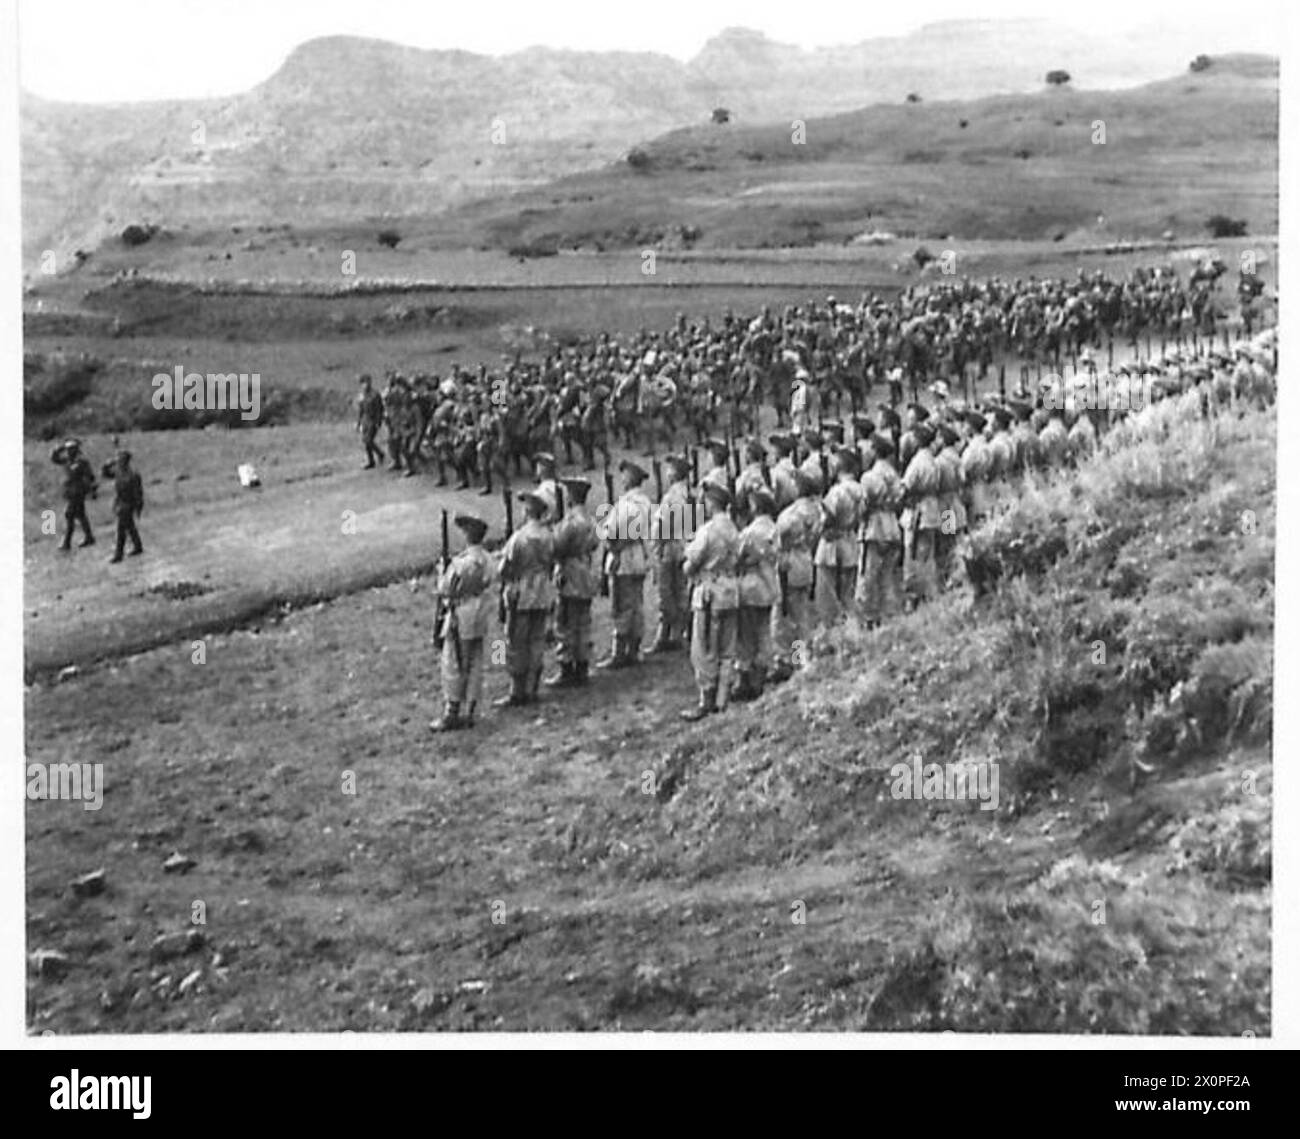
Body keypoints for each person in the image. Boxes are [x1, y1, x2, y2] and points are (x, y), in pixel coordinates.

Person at [431, 513, 498, 731]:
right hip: (480, 611)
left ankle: (452, 712)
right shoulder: (488, 559)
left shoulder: (461, 564)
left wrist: (442, 571)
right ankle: (470, 709)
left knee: (454, 662)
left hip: (462, 613)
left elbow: (445, 589)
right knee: (475, 660)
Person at [681, 482, 739, 721]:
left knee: (704, 649)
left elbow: (691, 562)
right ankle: (722, 700)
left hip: (709, 593)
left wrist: (690, 569)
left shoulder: (709, 530)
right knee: (727, 649)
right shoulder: (734, 529)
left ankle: (706, 700)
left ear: (712, 503)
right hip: (730, 591)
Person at [495, 491, 556, 707]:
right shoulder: (549, 535)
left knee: (513, 641)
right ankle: (533, 686)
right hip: (542, 591)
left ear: (527, 511)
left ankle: (516, 689)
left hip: (521, 593)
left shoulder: (519, 538)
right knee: (536, 640)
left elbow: (504, 569)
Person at [596, 460, 653, 668]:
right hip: (639, 556)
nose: (622, 480)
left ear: (630, 478)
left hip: (624, 559)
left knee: (621, 606)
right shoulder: (645, 502)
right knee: (636, 605)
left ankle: (619, 652)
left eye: (624, 476)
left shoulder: (626, 504)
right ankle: (634, 649)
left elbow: (609, 532)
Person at [546, 477, 600, 688]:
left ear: (571, 496)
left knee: (566, 623)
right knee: (583, 622)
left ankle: (567, 667)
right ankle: (582, 665)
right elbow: (595, 544)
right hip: (585, 570)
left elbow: (556, 547)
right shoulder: (591, 520)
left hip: (570, 572)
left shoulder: (570, 522)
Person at [772, 468, 821, 680]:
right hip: (805, 560)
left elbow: (778, 541)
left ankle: (788, 660)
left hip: (789, 564)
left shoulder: (790, 515)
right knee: (801, 615)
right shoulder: (815, 510)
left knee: (782, 619)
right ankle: (800, 658)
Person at [734, 487, 780, 701]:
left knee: (747, 636)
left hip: (753, 586)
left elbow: (737, 556)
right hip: (774, 582)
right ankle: (796, 661)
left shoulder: (750, 532)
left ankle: (746, 678)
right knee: (782, 629)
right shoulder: (776, 528)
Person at [856, 434, 903, 625]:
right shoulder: (894, 474)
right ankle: (889, 615)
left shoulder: (871, 476)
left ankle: (870, 617)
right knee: (887, 575)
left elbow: (863, 506)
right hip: (893, 523)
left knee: (870, 574)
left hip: (875, 527)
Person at [814, 445, 864, 624]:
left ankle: (836, 631)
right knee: (847, 592)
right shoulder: (861, 488)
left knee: (828, 596)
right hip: (850, 540)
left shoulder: (837, 491)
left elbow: (826, 518)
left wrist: (819, 529)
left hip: (832, 544)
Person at [650, 453, 691, 652]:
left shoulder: (672, 496)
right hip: (682, 545)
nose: (667, 473)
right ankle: (674, 632)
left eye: (670, 469)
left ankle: (670, 633)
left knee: (665, 592)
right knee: (679, 590)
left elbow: (662, 526)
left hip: (669, 548)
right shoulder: (687, 493)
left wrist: (657, 545)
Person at [50, 438, 97, 551]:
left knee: (69, 514)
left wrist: (90, 489)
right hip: (70, 492)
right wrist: (58, 448)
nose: (68, 451)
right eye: (67, 449)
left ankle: (67, 542)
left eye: (71, 449)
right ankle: (89, 537)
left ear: (76, 450)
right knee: (80, 515)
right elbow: (54, 459)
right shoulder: (67, 460)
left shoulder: (81, 462)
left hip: (78, 492)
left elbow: (90, 476)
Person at [100, 449, 144, 562]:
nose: (119, 461)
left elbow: (138, 492)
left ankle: (118, 554)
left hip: (129, 503)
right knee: (129, 526)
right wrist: (107, 464)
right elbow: (104, 474)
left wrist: (138, 506)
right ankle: (138, 546)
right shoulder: (118, 472)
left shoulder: (133, 474)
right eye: (118, 459)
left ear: (126, 461)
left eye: (121, 459)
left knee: (121, 529)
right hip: (120, 502)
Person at [356, 374, 385, 469]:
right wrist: (358, 422)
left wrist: (378, 421)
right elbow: (361, 410)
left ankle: (379, 454)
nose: (365, 385)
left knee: (368, 440)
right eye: (363, 383)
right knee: (366, 442)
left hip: (373, 420)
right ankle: (371, 460)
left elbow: (379, 409)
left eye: (366, 382)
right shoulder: (361, 395)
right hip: (365, 420)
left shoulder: (375, 394)